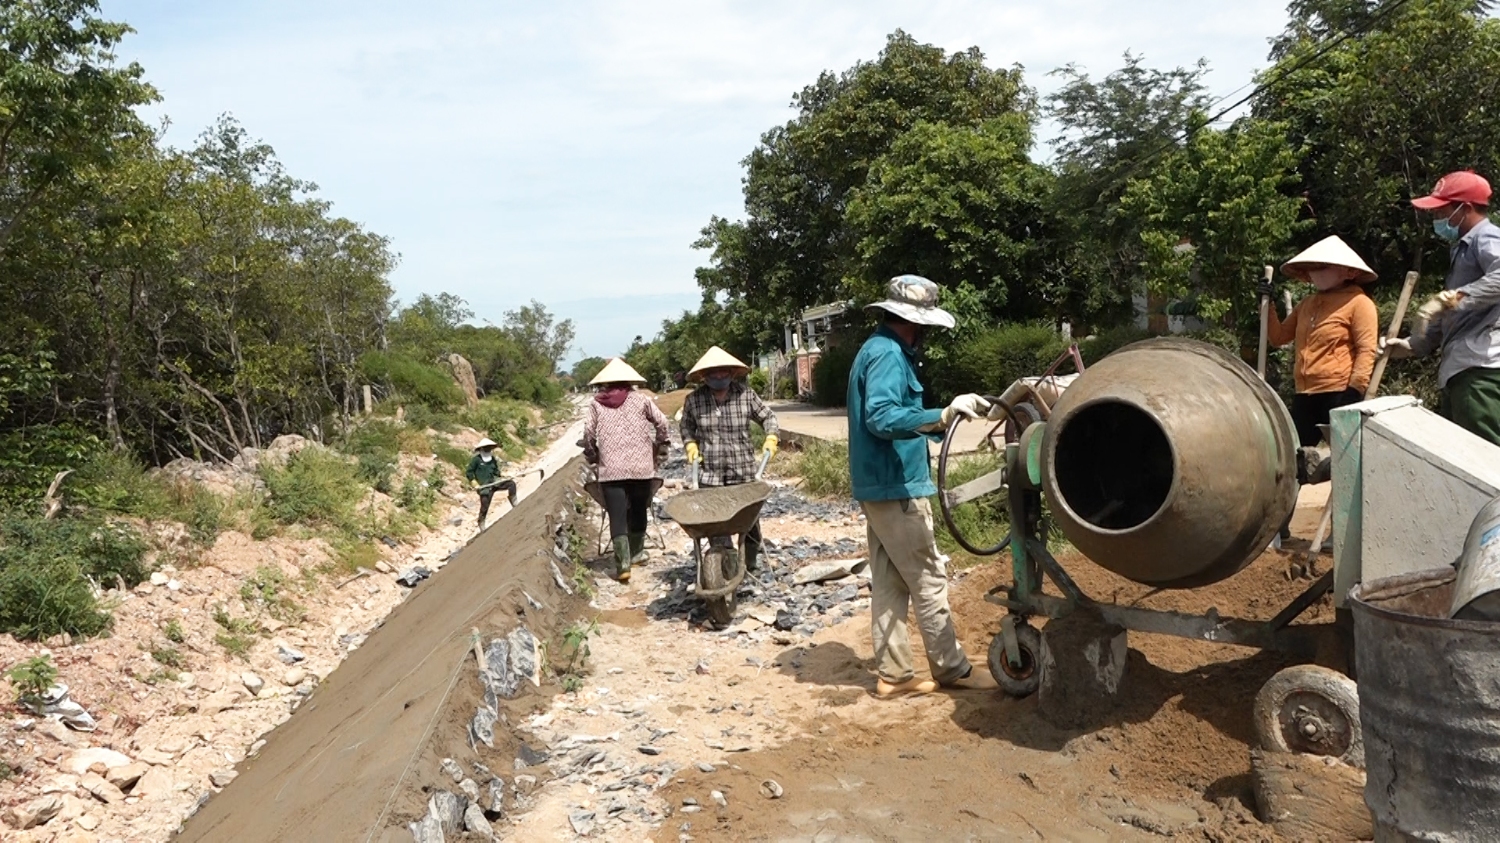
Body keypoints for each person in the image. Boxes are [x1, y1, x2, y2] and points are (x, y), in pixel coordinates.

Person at [848, 275, 998, 698]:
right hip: (896, 487)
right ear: (915, 323)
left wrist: (940, 420)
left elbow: (893, 415)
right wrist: (943, 414)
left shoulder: (877, 350)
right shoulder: (889, 355)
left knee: (891, 581)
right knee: (929, 577)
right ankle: (953, 670)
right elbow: (880, 416)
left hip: (879, 486)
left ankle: (894, 676)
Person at [1385, 171, 1500, 446]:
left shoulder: (1486, 237)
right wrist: (1412, 344)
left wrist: (1449, 299)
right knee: (1466, 464)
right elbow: (1452, 315)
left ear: (1465, 208)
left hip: (1481, 369)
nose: (1437, 218)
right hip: (1462, 371)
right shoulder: (1460, 250)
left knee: (1485, 461)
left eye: (1442, 210)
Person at [1259, 235, 1379, 448]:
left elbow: (1366, 350)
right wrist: (1268, 305)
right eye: (1313, 268)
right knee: (1296, 457)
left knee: (1346, 459)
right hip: (1304, 393)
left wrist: (1354, 391)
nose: (1316, 272)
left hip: (1338, 392)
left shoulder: (1359, 303)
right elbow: (1278, 337)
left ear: (1347, 272)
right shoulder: (1307, 304)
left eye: (1323, 267)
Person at [680, 346, 779, 572]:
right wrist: (691, 444)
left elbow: (768, 417)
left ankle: (750, 562)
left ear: (732, 373)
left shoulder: (746, 395)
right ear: (703, 376)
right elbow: (686, 427)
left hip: (742, 471)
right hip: (710, 475)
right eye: (713, 373)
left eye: (723, 372)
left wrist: (771, 437)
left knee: (749, 522)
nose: (718, 376)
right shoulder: (694, 400)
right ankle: (725, 564)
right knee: (716, 526)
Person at [582, 358, 670, 582]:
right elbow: (663, 424)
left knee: (617, 515)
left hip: (611, 469)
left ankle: (623, 565)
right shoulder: (641, 400)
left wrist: (593, 456)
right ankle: (637, 553)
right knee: (639, 508)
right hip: (641, 467)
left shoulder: (596, 404)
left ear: (604, 383)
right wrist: (659, 449)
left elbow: (588, 435)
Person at [465, 438, 517, 529]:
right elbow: (469, 473)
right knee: (485, 506)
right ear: (481, 449)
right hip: (484, 486)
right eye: (486, 448)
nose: (488, 450)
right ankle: (481, 522)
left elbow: (496, 471)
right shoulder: (476, 460)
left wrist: (503, 476)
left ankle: (514, 503)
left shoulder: (492, 459)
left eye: (489, 448)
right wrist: (475, 484)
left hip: (494, 482)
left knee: (511, 484)